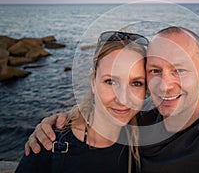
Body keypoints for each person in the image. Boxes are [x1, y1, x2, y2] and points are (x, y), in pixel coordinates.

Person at [25, 26, 199, 173]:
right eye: (155, 71)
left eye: (179, 69)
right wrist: (58, 123)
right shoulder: (137, 126)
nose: (165, 84)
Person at [16, 31, 149, 173]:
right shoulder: (50, 142)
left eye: (136, 83)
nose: (123, 98)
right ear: (93, 81)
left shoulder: (147, 140)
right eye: (110, 81)